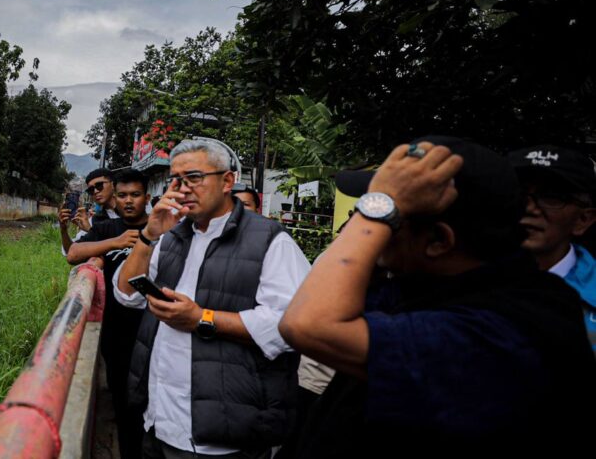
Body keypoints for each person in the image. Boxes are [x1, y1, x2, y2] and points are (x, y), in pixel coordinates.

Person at [279, 136, 596, 458]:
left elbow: (307, 324)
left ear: (438, 241)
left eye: (391, 220)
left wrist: (379, 206)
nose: (375, 233)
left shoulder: (507, 331)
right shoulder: (425, 288)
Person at [115, 138, 311, 458]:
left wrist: (203, 319)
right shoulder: (170, 235)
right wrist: (149, 235)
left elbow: (295, 323)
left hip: (223, 434)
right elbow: (126, 293)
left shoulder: (270, 240)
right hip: (159, 419)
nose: (182, 188)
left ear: (227, 181)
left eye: (194, 177)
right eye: (175, 180)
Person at [66, 168, 150, 459]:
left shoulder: (160, 228)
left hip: (153, 332)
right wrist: (115, 243)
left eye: (135, 195)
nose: (128, 201)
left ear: (146, 198)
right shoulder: (107, 229)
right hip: (115, 332)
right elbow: (73, 254)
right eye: (124, 196)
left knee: (149, 401)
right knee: (123, 401)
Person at [508, 144, 596, 352]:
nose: (529, 208)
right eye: (517, 193)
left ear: (583, 220)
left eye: (552, 197)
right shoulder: (454, 278)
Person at [59, 167, 118, 255]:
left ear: (113, 185)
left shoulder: (132, 212)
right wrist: (63, 229)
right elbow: (71, 251)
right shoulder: (93, 220)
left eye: (99, 186)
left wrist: (90, 230)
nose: (95, 191)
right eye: (91, 190)